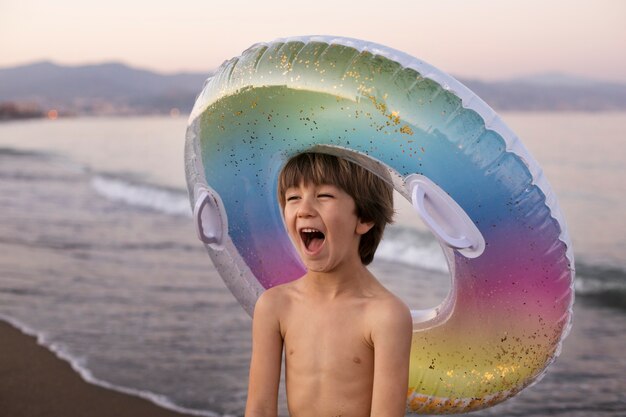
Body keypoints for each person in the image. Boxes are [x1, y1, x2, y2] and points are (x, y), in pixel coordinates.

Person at [244, 153, 413, 417]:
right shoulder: (275, 306)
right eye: (293, 198)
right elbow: (259, 409)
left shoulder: (385, 316)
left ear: (364, 218)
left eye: (324, 196)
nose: (304, 209)